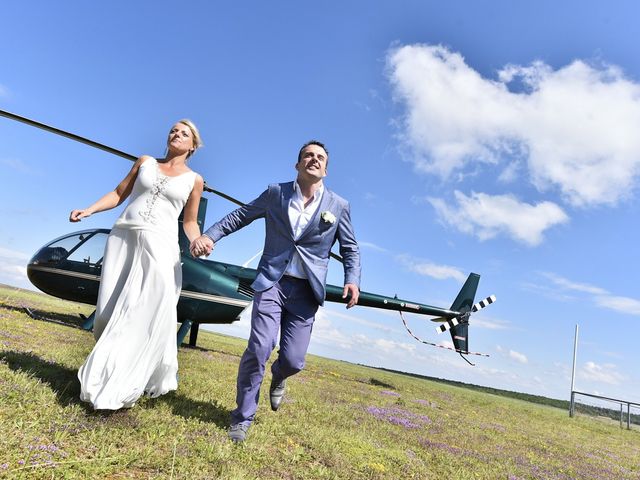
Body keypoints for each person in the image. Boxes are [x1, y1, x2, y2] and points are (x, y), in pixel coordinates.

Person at [190, 140, 361, 443]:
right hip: (272, 282)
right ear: (297, 165)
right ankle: (242, 418)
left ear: (326, 169)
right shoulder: (275, 193)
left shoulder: (339, 205)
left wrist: (352, 279)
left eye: (320, 157)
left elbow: (350, 247)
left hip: (307, 290)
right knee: (259, 348)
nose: (314, 159)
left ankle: (279, 376)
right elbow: (239, 216)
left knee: (294, 360)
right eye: (308, 155)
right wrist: (210, 235)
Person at [69, 120, 205, 410]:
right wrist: (89, 210)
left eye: (184, 133)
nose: (176, 135)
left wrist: (196, 240)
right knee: (107, 312)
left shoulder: (195, 180)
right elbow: (118, 194)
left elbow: (190, 222)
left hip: (160, 248)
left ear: (193, 145)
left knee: (137, 314)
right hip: (123, 239)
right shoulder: (145, 162)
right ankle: (112, 373)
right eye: (173, 130)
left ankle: (116, 387)